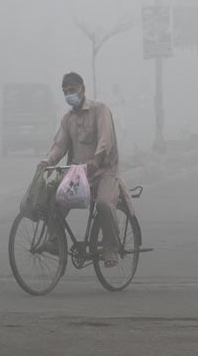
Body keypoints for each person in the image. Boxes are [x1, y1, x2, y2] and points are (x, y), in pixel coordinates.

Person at [38, 72, 122, 267]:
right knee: (53, 197)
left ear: (83, 89)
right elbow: (60, 145)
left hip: (104, 171)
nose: (69, 95)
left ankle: (111, 248)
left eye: (73, 90)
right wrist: (47, 161)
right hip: (78, 174)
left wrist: (97, 159)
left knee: (103, 204)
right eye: (65, 92)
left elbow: (106, 139)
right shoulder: (67, 119)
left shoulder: (100, 110)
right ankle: (54, 241)